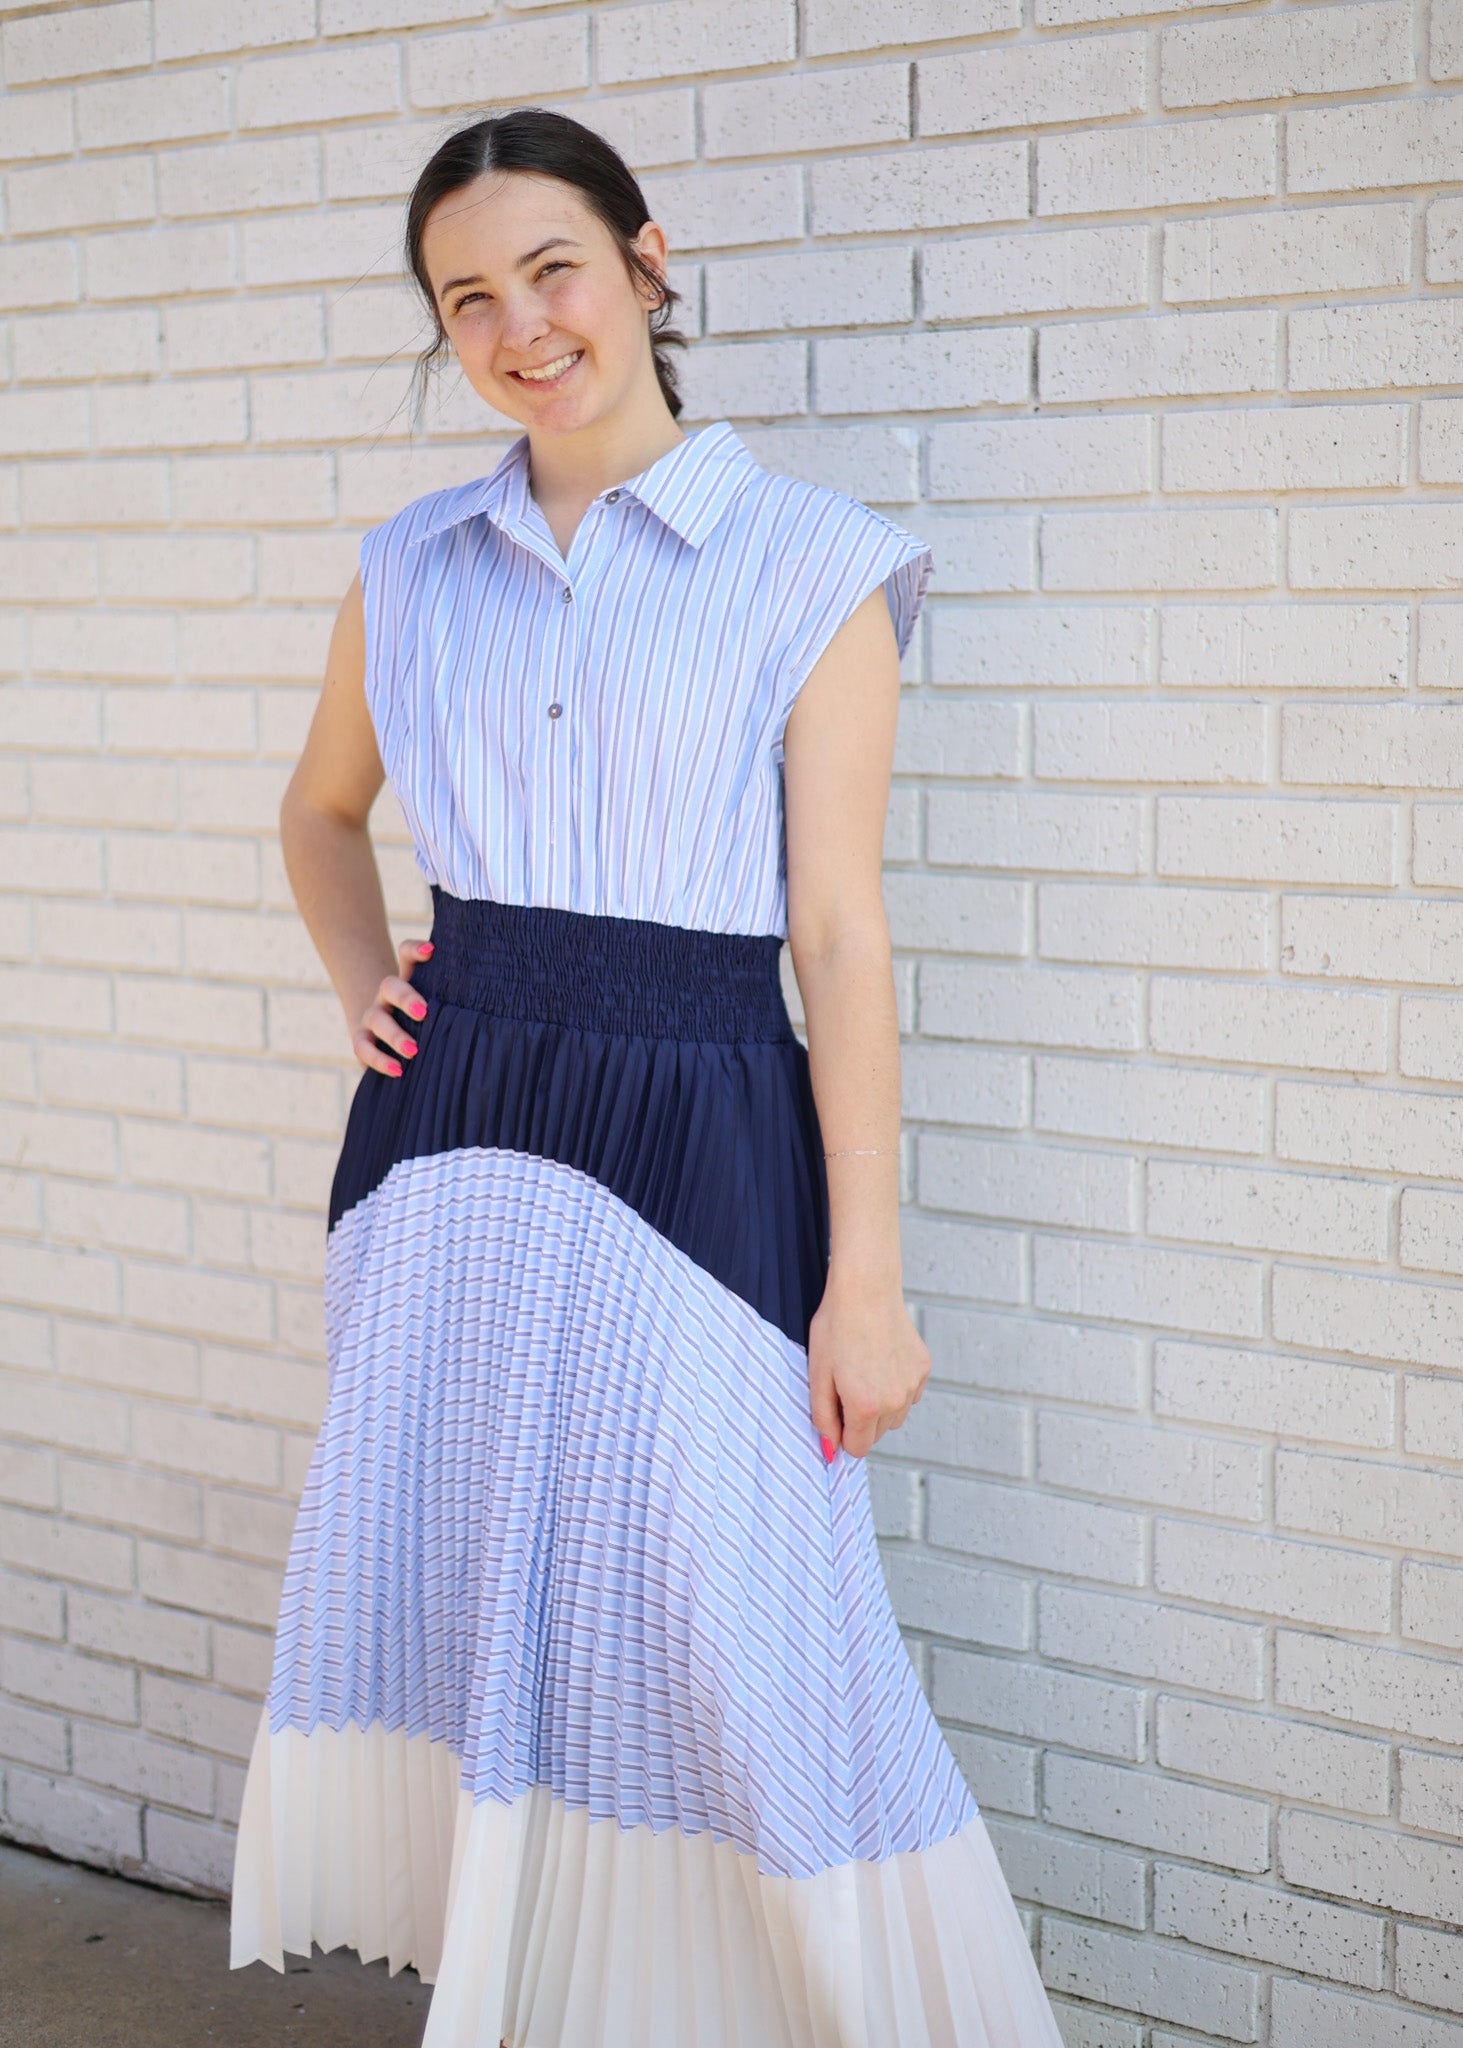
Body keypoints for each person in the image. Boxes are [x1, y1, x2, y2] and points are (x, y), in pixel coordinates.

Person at [226, 104, 1064, 2048]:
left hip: (700, 1132)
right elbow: (323, 814)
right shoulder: (414, 566)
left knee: (749, 1619)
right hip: (447, 1144)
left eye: (553, 270)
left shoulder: (815, 563)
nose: (521, 324)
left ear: (647, 261)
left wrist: (867, 1280)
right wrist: (370, 982)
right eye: (468, 297)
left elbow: (838, 939)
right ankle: (539, 1993)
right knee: (482, 1578)